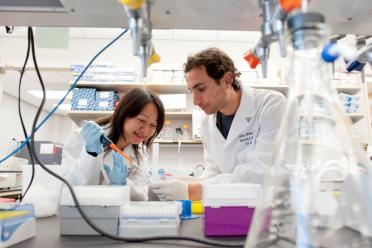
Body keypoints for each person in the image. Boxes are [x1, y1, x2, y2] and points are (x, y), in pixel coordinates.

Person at [149, 47, 287, 201]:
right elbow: (214, 171)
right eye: (191, 91)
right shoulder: (206, 122)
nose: (195, 101)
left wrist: (196, 190)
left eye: (201, 89)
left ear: (227, 80)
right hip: (229, 210)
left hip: (270, 212)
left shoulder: (271, 105)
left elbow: (262, 172)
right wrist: (189, 182)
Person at [62, 88, 165, 201]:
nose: (145, 131)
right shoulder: (81, 138)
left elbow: (141, 195)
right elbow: (66, 190)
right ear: (124, 112)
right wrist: (90, 154)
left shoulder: (140, 151)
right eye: (141, 120)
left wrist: (124, 184)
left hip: (119, 214)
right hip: (81, 214)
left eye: (153, 126)